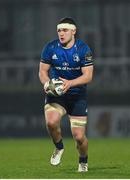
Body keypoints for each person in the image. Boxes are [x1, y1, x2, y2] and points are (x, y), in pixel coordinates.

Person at [39, 17, 94, 172]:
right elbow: (43, 72)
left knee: (79, 137)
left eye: (65, 30)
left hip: (77, 96)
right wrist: (46, 83)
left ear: (73, 31)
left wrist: (70, 83)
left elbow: (88, 76)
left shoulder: (83, 49)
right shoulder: (50, 47)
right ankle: (59, 147)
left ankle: (83, 161)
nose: (61, 33)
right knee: (51, 122)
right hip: (57, 95)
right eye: (59, 30)